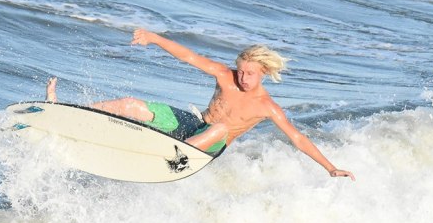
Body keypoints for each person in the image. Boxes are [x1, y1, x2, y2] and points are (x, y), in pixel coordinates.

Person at [45, 29, 355, 180]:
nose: (243, 78)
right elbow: (189, 57)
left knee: (220, 128)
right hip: (193, 126)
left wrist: (331, 168)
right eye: (241, 71)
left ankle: (169, 157)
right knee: (131, 105)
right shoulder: (225, 76)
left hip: (203, 151)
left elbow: (297, 139)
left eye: (249, 74)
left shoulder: (266, 106)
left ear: (264, 71)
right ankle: (66, 113)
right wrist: (154, 38)